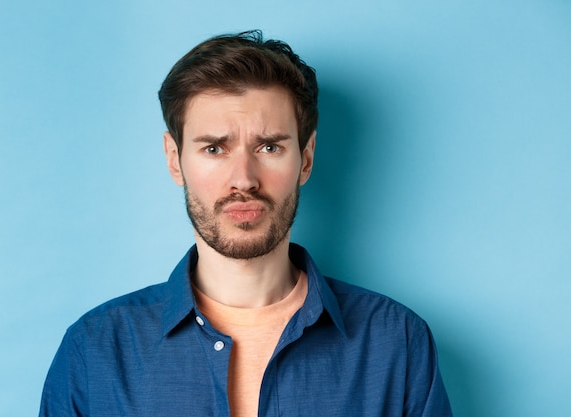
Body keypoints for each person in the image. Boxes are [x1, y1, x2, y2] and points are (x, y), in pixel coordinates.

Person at [39, 30, 452, 417]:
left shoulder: (397, 343)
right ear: (173, 158)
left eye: (269, 146)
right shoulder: (94, 351)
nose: (243, 179)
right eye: (215, 148)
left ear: (305, 158)